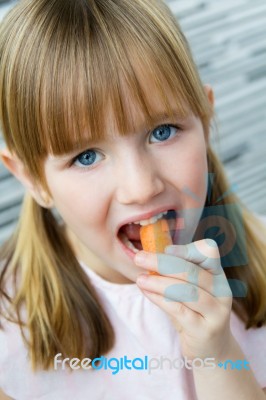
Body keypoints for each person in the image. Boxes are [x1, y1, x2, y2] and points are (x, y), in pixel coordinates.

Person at [0, 0, 265, 399]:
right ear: (33, 179)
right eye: (86, 156)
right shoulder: (8, 326)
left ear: (206, 123)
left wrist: (217, 354)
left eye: (162, 131)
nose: (141, 188)